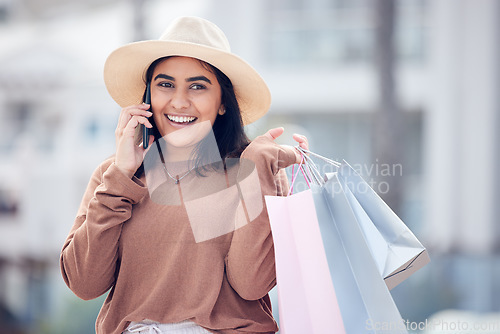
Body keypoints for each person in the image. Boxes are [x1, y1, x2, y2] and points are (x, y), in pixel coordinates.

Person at [60, 16, 309, 334]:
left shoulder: (252, 169)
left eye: (198, 86)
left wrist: (258, 168)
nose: (179, 101)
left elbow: (252, 284)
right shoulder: (114, 176)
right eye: (165, 85)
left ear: (222, 102)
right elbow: (84, 283)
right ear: (148, 96)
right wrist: (121, 174)